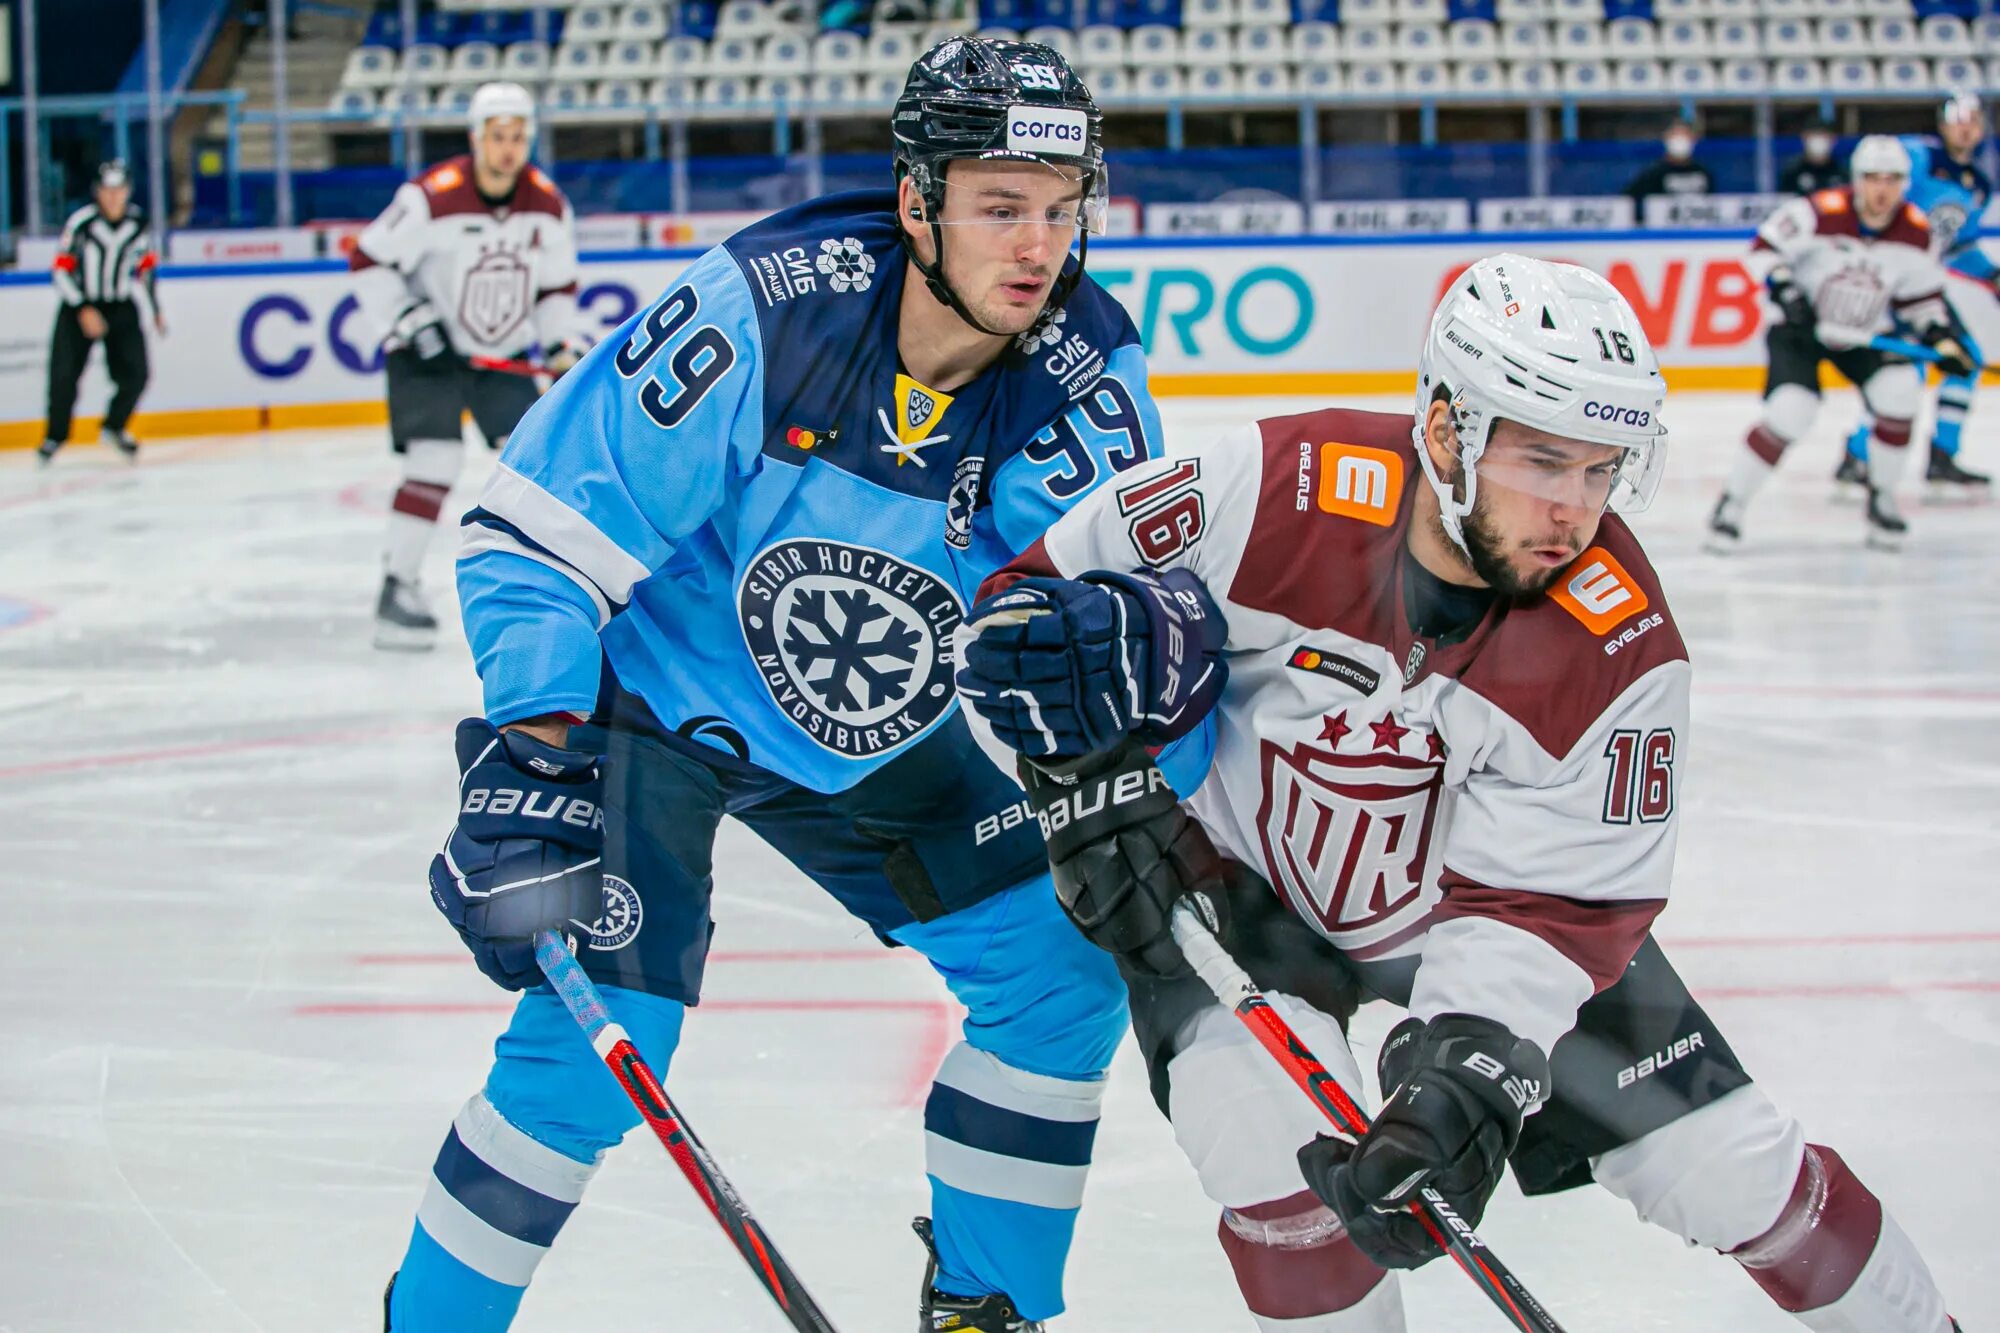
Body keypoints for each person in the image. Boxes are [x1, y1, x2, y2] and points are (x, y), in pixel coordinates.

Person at [955, 254, 1965, 1333]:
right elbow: (1017, 636)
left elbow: (1552, 908)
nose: (1573, 510)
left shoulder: (1618, 643)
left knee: (1724, 1163)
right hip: (1236, 890)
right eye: (1541, 461)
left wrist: (1465, 1073)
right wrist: (1072, 776)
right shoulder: (1270, 486)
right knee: (1264, 1157)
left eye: (1597, 470)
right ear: (1444, 432)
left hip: (1473, 913)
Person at [387, 38, 1162, 1333]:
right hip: (657, 706)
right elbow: (536, 533)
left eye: (1060, 206)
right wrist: (531, 747)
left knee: (1060, 979)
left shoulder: (1081, 371)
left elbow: (1111, 626)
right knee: (594, 1047)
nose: (1038, 245)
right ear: (916, 200)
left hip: (876, 732)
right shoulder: (767, 304)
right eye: (999, 206)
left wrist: (1128, 770)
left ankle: (986, 1310)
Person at [349, 81, 591, 650]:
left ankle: (553, 590)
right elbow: (368, 259)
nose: (508, 148)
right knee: (434, 462)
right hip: (426, 354)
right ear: (477, 138)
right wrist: (410, 318)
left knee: (534, 467)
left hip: (497, 358)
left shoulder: (548, 206)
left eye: (517, 136)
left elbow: (556, 288)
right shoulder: (433, 196)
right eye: (497, 136)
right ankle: (397, 586)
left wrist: (559, 345)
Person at [1708, 135, 1971, 553]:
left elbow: (1921, 302)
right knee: (1791, 411)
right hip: (1802, 330)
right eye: (1872, 178)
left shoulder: (1918, 234)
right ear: (1856, 179)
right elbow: (1762, 249)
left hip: (1866, 334)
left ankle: (1882, 496)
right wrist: (1788, 293)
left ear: (1905, 183)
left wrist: (1940, 337)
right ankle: (1732, 504)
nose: (1881, 189)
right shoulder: (1818, 211)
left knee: (1901, 394)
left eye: (1892, 179)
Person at [1838, 91, 1994, 492]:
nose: (1966, 128)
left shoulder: (1978, 184)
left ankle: (1941, 454)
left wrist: (1991, 275)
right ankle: (1858, 453)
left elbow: (1958, 246)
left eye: (1973, 121)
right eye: (1959, 120)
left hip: (1924, 285)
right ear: (1942, 125)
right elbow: (1870, 193)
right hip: (1889, 281)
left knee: (1965, 359)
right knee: (1906, 370)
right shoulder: (1916, 157)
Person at [38, 160, 164, 466]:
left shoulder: (138, 225)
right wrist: (82, 308)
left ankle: (115, 426)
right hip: (79, 306)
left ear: (127, 191)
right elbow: (61, 270)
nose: (112, 197)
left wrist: (155, 309)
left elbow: (145, 269)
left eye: (118, 190)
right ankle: (55, 436)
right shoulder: (82, 223)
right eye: (107, 190)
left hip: (120, 306)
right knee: (63, 375)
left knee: (137, 372)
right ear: (97, 192)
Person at [1623, 118, 1713, 204]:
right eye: (1675, 135)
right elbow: (1627, 201)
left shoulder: (1703, 172)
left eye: (1685, 135)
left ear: (1694, 139)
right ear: (1666, 138)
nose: (1680, 140)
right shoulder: (1653, 173)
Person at [1778, 116, 1844, 196]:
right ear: (1804, 138)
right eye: (1815, 135)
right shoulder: (1792, 172)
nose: (1819, 140)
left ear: (1833, 140)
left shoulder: (1841, 172)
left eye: (1823, 135)